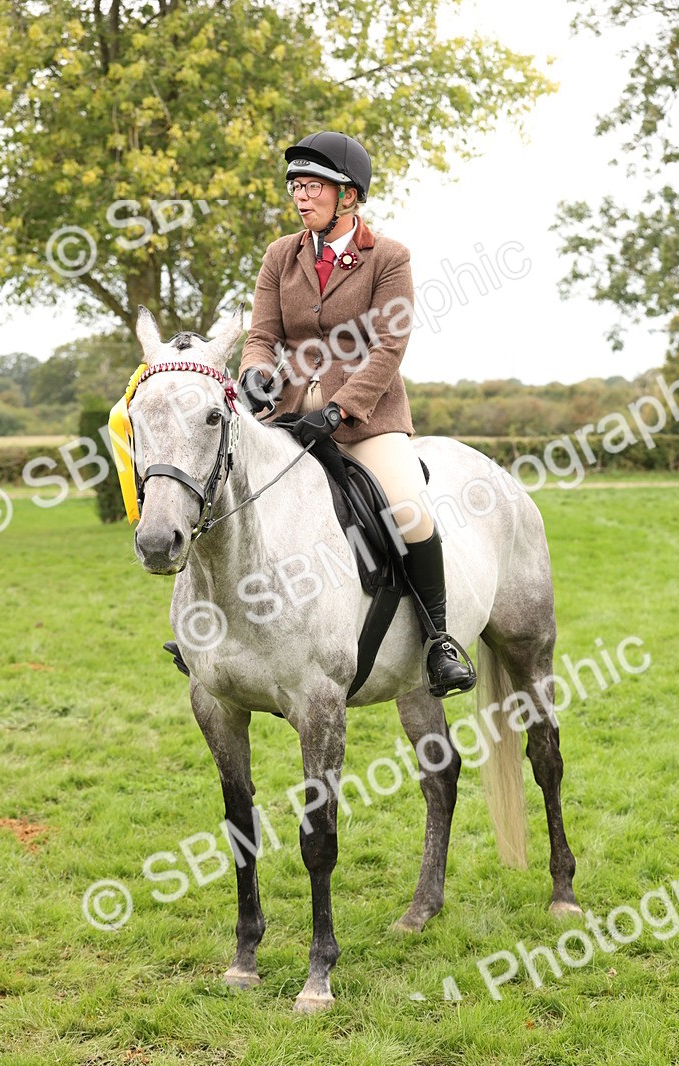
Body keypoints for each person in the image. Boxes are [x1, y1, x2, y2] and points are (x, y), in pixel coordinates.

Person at [235, 131, 475, 698]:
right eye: (296, 185)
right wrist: (254, 371)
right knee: (230, 491)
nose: (301, 195)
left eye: (313, 185)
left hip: (366, 418)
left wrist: (342, 408)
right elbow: (263, 335)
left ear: (349, 195)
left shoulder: (388, 258)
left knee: (407, 508)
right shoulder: (280, 255)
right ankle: (221, 635)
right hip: (289, 413)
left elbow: (390, 346)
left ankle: (438, 640)